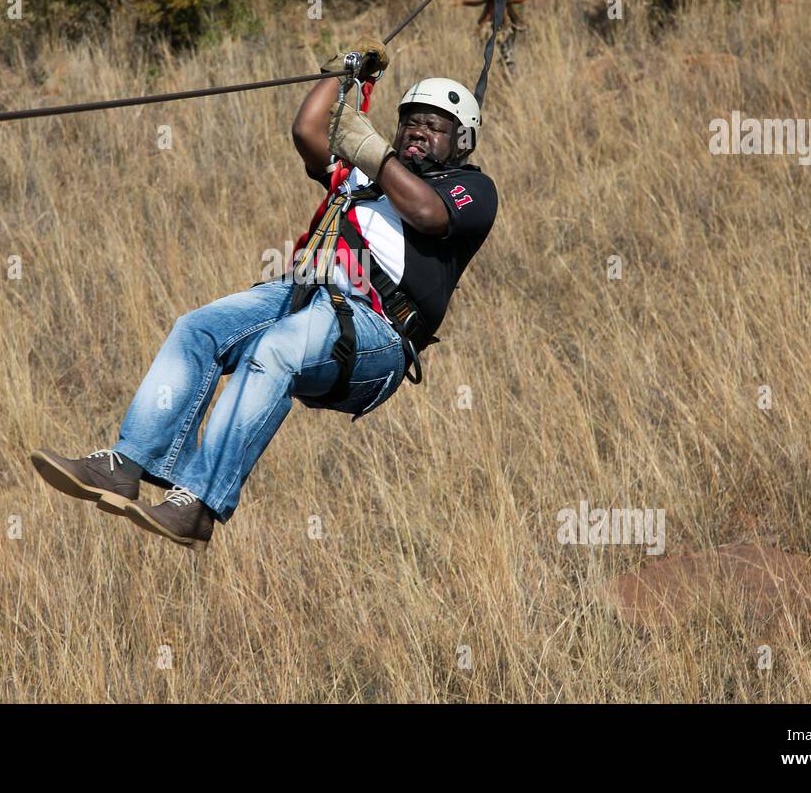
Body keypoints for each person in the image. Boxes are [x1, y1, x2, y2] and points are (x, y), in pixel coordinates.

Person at [31, 38, 498, 550]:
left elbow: (428, 215)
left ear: (462, 141)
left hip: (375, 333)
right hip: (305, 294)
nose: (417, 132)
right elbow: (309, 132)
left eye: (435, 127)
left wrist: (374, 151)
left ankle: (198, 504)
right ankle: (129, 461)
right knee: (199, 328)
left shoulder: (470, 191)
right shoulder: (364, 176)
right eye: (411, 121)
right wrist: (342, 72)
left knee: (273, 351)